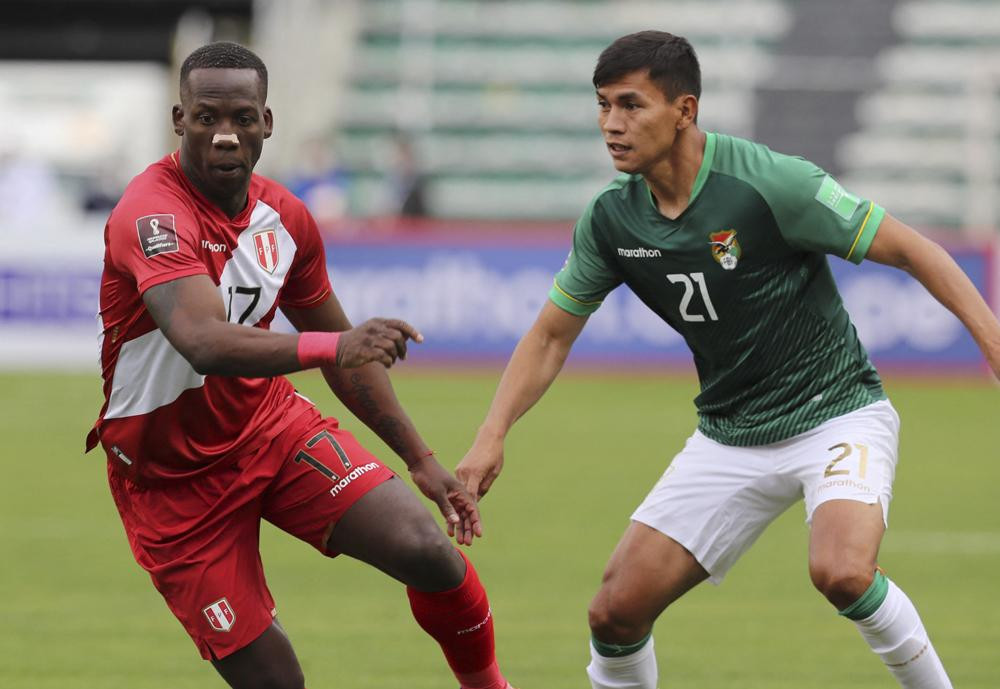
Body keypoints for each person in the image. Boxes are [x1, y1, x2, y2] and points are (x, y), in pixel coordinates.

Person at [456, 31, 1000, 689]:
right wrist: (491, 435)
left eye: (631, 105)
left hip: (837, 415)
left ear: (685, 110)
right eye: (603, 106)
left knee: (842, 570)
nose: (611, 125)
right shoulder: (611, 221)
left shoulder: (771, 184)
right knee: (614, 612)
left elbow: (915, 249)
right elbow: (548, 337)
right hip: (730, 435)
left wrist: (992, 342)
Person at [86, 42, 514, 689]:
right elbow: (201, 338)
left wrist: (421, 457)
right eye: (207, 118)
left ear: (267, 122)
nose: (225, 136)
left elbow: (346, 352)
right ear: (179, 119)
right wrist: (332, 347)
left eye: (242, 118)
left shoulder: (284, 219)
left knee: (429, 552)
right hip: (171, 482)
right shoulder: (151, 214)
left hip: (268, 430)